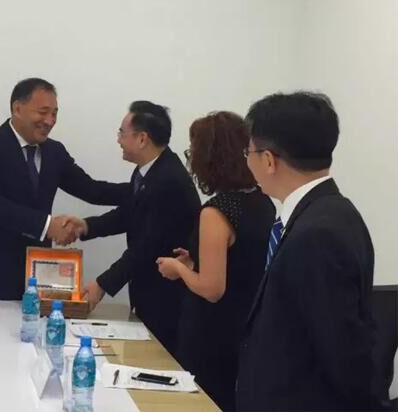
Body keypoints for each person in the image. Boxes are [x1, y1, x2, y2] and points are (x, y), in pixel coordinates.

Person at [236, 91, 376, 410]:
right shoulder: (330, 212)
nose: (247, 161)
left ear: (268, 160)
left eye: (248, 152)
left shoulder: (317, 233)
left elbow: (343, 355)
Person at [0, 78, 130, 300]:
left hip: (36, 276)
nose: (50, 121)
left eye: (54, 114)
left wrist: (144, 187)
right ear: (17, 108)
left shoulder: (54, 152)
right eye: (43, 112)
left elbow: (91, 190)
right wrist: (46, 225)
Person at [156, 111, 274, 410]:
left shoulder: (216, 211)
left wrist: (179, 268)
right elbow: (242, 263)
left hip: (211, 332)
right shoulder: (262, 202)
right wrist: (194, 263)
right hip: (245, 327)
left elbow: (212, 289)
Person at [65, 101, 200, 355]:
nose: (118, 140)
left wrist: (103, 284)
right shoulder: (150, 171)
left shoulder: (168, 180)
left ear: (142, 139)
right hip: (149, 287)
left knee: (157, 359)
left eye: (121, 133)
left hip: (166, 295)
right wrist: (87, 226)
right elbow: (129, 214)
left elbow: (148, 246)